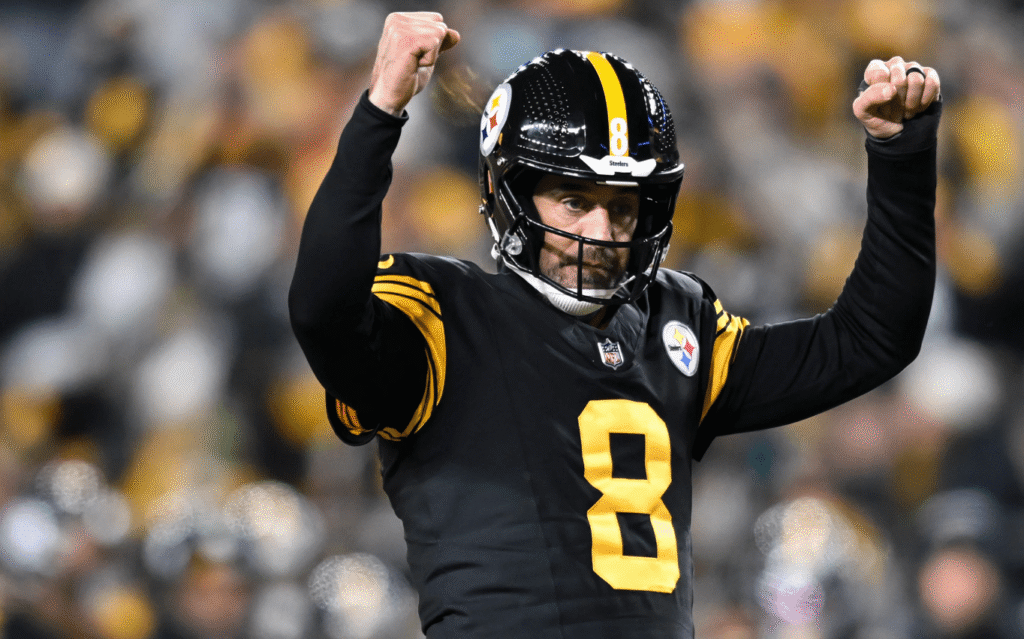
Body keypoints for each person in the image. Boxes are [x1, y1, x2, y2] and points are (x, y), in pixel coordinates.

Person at [288, 11, 942, 638]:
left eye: (622, 207)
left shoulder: (675, 324)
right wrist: (380, 114)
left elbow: (870, 339)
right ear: (510, 190)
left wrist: (901, 157)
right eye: (575, 200)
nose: (600, 233)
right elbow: (323, 308)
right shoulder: (443, 316)